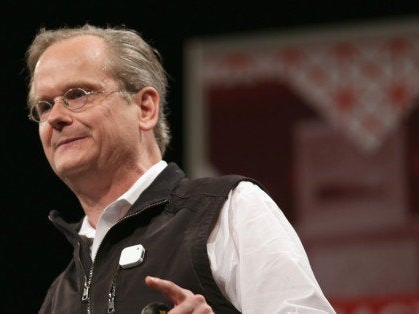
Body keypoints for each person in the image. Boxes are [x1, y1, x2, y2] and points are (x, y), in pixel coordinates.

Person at [24, 23, 335, 314]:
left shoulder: (227, 210)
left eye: (77, 95)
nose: (56, 118)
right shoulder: (60, 295)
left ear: (145, 108)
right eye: (45, 106)